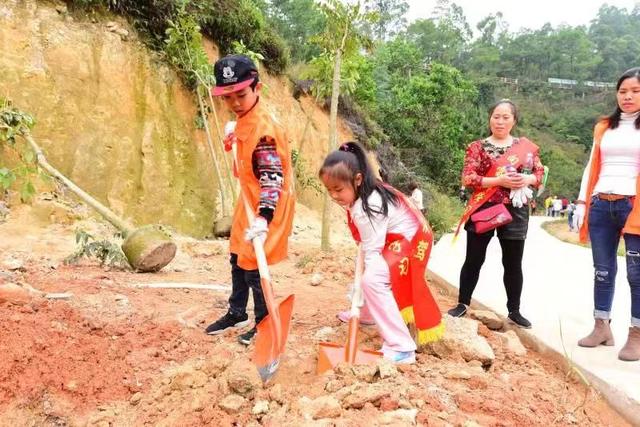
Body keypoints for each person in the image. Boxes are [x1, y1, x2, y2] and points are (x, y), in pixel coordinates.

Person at [319, 142, 444, 363]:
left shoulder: (370, 204)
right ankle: (367, 315)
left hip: (411, 240)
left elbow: (372, 250)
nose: (334, 196)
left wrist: (361, 286)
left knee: (372, 279)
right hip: (393, 235)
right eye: (329, 190)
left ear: (357, 179)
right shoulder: (362, 194)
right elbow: (369, 245)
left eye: (338, 190)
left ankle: (402, 346)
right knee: (369, 274)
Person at [204, 54, 296, 345]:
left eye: (241, 95)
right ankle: (236, 311)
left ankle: (264, 322)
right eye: (227, 97)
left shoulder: (265, 130)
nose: (234, 103)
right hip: (249, 200)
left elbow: (271, 176)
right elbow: (245, 167)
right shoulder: (245, 120)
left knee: (256, 265)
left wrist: (263, 217)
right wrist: (234, 138)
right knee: (237, 256)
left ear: (258, 88)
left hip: (268, 205)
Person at [448, 99, 544, 328]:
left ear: (514, 121)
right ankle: (463, 303)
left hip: (515, 209)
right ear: (490, 118)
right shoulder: (477, 147)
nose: (500, 121)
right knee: (474, 259)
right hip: (484, 207)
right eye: (496, 116)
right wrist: (499, 180)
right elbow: (469, 178)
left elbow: (539, 174)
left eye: (505, 117)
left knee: (512, 263)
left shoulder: (525, 148)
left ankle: (514, 310)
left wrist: (526, 179)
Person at [575, 67, 640, 361]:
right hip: (602, 203)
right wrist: (580, 202)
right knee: (602, 270)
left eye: (635, 91)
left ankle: (636, 334)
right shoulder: (604, 127)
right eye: (623, 91)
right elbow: (592, 164)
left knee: (636, 274)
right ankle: (601, 326)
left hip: (634, 206)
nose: (628, 96)